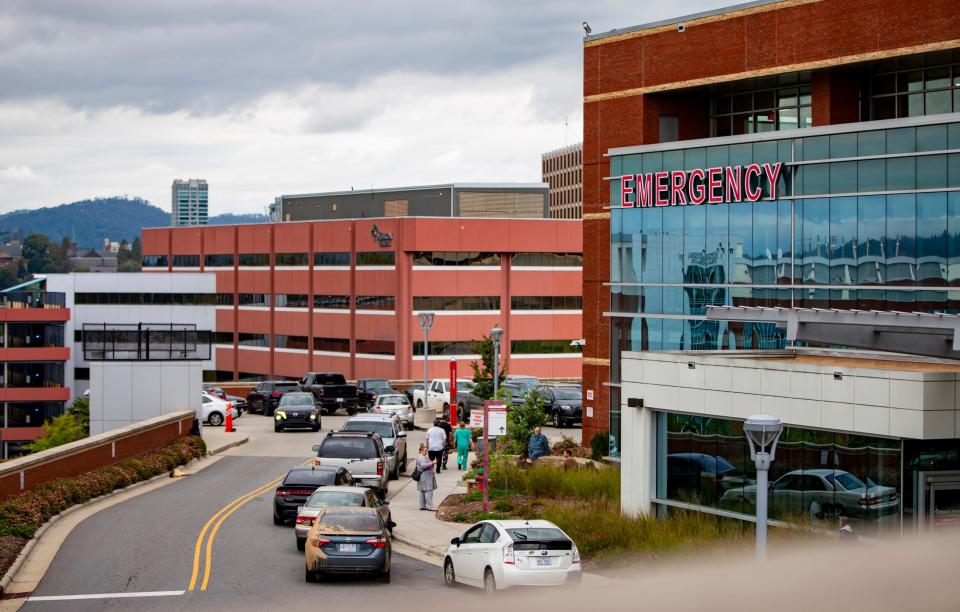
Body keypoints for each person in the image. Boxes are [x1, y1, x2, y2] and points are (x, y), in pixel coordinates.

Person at [415, 444, 437, 511]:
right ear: (421, 450)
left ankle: (422, 506)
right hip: (425, 476)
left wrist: (432, 462)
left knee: (423, 491)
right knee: (428, 491)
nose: (426, 451)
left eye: (427, 450)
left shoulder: (423, 456)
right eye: (425, 450)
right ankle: (430, 507)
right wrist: (432, 463)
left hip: (425, 476)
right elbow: (423, 466)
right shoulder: (421, 457)